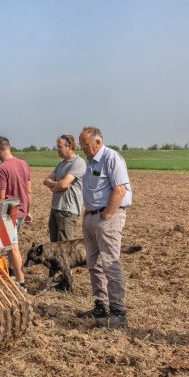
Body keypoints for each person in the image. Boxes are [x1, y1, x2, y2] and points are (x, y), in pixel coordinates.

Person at [77, 126, 132, 329]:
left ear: (97, 142)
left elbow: (120, 188)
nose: (82, 148)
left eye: (85, 144)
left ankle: (118, 312)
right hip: (91, 217)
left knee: (110, 263)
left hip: (107, 217)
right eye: (81, 145)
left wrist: (107, 214)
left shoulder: (111, 158)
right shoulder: (90, 163)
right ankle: (101, 305)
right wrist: (87, 215)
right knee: (94, 264)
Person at [0, 137, 31, 288]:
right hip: (22, 208)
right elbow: (28, 191)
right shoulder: (23, 164)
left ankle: (21, 282)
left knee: (13, 247)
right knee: (8, 244)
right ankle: (12, 274)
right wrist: (28, 211)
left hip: (9, 209)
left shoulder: (2, 168)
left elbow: (1, 196)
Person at [43, 133, 86, 241]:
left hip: (67, 211)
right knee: (54, 247)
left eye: (59, 146)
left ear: (69, 146)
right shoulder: (62, 164)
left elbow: (63, 184)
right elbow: (46, 181)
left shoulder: (78, 163)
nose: (57, 149)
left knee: (64, 249)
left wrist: (57, 185)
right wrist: (56, 185)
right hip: (56, 208)